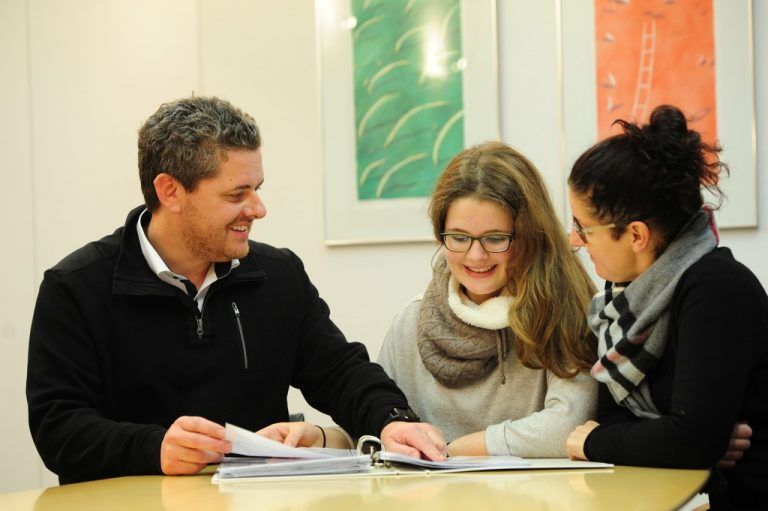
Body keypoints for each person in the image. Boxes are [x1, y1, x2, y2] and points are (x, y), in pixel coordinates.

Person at [26, 96, 445, 484]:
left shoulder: (278, 275)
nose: (258, 209)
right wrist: (152, 449)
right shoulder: (75, 288)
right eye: (236, 194)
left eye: (257, 189)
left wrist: (391, 420)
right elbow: (58, 428)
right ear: (170, 191)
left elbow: (340, 372)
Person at [564, 105, 767, 508]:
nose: (574, 241)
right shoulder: (622, 301)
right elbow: (623, 420)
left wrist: (597, 443)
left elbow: (686, 441)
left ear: (636, 235)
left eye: (583, 227)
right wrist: (678, 440)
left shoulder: (715, 288)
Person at [378, 141, 598, 457]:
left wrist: (455, 451)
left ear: (530, 234)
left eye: (496, 238)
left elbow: (570, 428)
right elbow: (376, 427)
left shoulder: (564, 310)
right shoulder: (410, 323)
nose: (476, 255)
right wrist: (323, 435)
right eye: (459, 237)